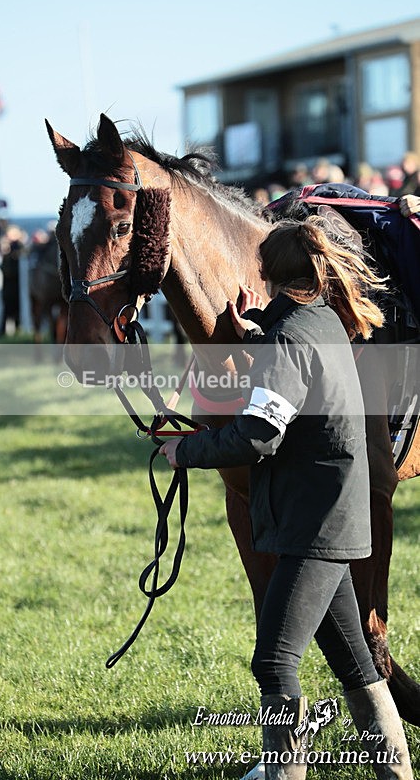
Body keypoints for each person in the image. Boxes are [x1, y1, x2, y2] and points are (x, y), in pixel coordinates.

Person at [160, 218, 413, 780]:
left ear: (267, 272)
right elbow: (290, 365)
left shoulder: (289, 340)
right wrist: (254, 325)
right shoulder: (319, 321)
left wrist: (188, 450)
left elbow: (258, 434)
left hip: (313, 526)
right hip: (332, 518)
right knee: (356, 667)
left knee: (274, 663)